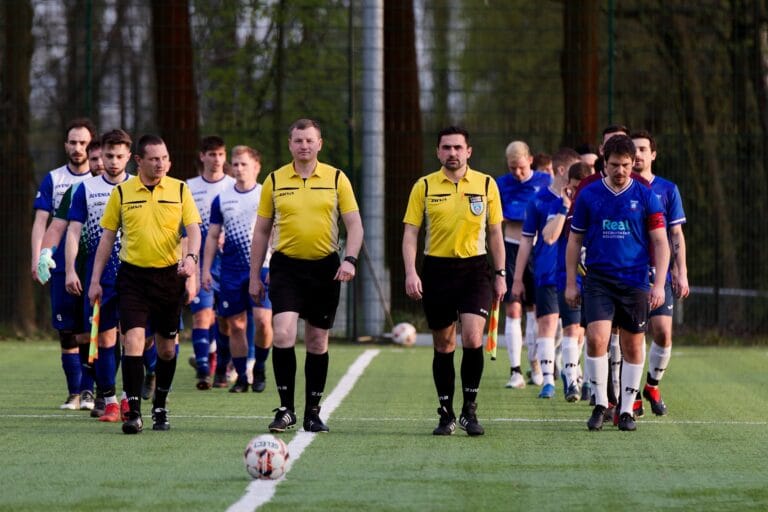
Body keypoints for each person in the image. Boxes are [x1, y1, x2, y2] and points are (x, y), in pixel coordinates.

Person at [249, 119, 363, 434]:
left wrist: (349, 260)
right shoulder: (274, 180)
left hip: (325, 268)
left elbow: (354, 225)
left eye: (310, 140)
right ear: (290, 145)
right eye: (298, 140)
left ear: (319, 143)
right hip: (285, 266)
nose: (304, 146)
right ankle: (286, 409)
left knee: (316, 339)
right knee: (283, 332)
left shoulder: (337, 178)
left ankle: (313, 411)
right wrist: (254, 274)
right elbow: (260, 231)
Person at [88, 134, 201, 434]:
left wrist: (191, 258)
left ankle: (160, 407)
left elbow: (194, 229)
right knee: (133, 341)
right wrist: (95, 280)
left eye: (164, 158)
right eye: (154, 158)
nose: (160, 163)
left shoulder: (179, 189)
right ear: (138, 161)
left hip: (169, 278)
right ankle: (134, 411)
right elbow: (107, 238)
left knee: (166, 350)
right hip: (132, 278)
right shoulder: (123, 193)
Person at [403, 126, 506, 436]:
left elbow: (495, 233)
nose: (452, 153)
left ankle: (469, 410)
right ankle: (445, 411)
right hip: (436, 269)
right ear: (438, 152)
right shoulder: (424, 186)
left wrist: (500, 275)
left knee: (473, 339)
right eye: (446, 148)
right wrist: (411, 271)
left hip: (475, 270)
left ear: (468, 151)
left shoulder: (486, 184)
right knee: (444, 344)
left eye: (458, 148)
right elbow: (410, 233)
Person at [565, 135, 670, 432]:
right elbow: (574, 241)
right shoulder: (589, 194)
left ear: (632, 163)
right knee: (597, 338)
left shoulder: (646, 195)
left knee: (633, 344)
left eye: (626, 165)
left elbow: (661, 243)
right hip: (598, 279)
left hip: (635, 281)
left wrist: (659, 284)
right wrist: (571, 283)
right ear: (605, 162)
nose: (621, 170)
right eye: (615, 165)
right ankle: (601, 404)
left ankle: (626, 410)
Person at [66, 129, 133, 422]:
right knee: (105, 339)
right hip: (101, 277)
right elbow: (73, 231)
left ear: (129, 156)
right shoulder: (87, 189)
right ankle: (111, 401)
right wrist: (70, 269)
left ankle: (137, 393)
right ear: (101, 156)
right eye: (108, 156)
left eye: (119, 156)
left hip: (136, 276)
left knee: (136, 339)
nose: (113, 161)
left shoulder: (139, 187)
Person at [32, 118, 97, 410]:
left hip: (93, 264)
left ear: (91, 145)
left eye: (83, 142)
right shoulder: (55, 179)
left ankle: (89, 391)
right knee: (66, 330)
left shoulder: (101, 181)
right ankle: (74, 393)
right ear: (65, 145)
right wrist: (38, 257)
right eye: (73, 142)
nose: (77, 148)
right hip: (61, 265)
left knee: (90, 330)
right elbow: (42, 222)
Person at [511, 148, 582, 400]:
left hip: (575, 274)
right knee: (548, 324)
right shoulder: (539, 201)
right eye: (577, 170)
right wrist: (518, 278)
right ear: (562, 171)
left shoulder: (582, 199)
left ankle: (572, 378)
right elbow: (526, 242)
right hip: (546, 273)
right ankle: (548, 381)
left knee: (575, 327)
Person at [202, 145, 272, 393]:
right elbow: (212, 236)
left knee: (264, 322)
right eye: (236, 164)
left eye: (244, 163)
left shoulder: (266, 195)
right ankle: (242, 376)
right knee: (236, 325)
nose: (238, 168)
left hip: (262, 267)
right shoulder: (222, 198)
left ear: (256, 166)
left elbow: (277, 232)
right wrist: (206, 269)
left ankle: (260, 366)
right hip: (231, 271)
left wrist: (275, 263)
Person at [631, 129, 689, 416]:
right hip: (629, 273)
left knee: (663, 333)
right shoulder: (623, 188)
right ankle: (629, 394)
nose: (638, 154)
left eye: (643, 149)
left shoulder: (667, 189)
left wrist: (682, 271)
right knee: (633, 336)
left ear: (653, 154)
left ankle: (652, 385)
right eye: (634, 150)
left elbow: (675, 233)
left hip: (660, 272)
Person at [495, 140, 551, 389]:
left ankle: (535, 364)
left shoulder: (544, 181)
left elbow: (546, 212)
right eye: (511, 168)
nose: (516, 173)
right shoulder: (500, 184)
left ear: (530, 160)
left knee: (535, 312)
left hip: (538, 250)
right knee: (513, 308)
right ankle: (515, 371)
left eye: (519, 167)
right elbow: (498, 215)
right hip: (509, 248)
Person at [187, 136, 235, 389]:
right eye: (212, 154)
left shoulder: (233, 186)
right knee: (202, 315)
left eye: (220, 154)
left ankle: (225, 365)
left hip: (228, 263)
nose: (216, 160)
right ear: (202, 156)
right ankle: (204, 369)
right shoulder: (189, 187)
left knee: (225, 318)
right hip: (199, 260)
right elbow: (184, 224)